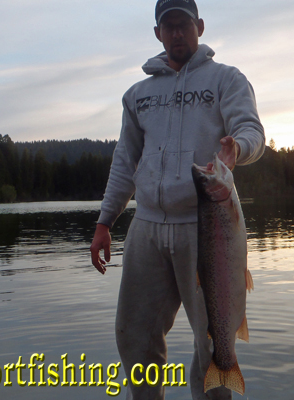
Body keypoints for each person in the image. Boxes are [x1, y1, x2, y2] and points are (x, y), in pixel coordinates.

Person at [90, 1, 265, 398]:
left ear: (199, 26)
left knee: (212, 343)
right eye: (168, 27)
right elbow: (125, 161)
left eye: (183, 25)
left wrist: (238, 147)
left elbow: (252, 130)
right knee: (135, 339)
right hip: (147, 228)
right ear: (157, 33)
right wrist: (104, 222)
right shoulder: (138, 95)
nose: (176, 34)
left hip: (206, 228)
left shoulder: (226, 79)